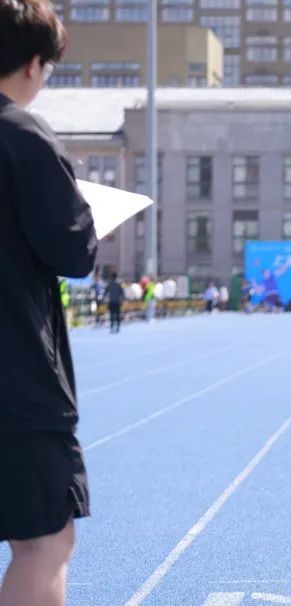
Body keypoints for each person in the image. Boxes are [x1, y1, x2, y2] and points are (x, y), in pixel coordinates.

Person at [0, 4, 98, 603]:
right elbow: (73, 251)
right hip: (13, 374)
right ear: (35, 65)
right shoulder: (23, 137)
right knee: (43, 542)